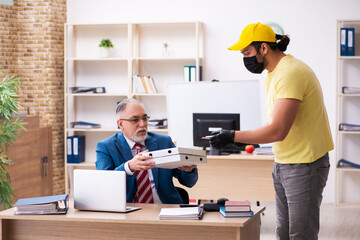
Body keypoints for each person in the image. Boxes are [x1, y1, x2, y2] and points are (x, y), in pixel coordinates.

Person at [210, 23, 333, 240]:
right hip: (283, 162)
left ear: (264, 48)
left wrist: (233, 136)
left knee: (301, 235)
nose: (245, 59)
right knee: (283, 233)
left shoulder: (291, 73)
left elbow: (277, 130)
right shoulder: (272, 74)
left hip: (305, 164)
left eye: (247, 53)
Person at [96, 98, 198, 204]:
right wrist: (128, 167)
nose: (142, 124)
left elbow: (189, 183)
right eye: (135, 120)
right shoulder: (106, 147)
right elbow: (104, 184)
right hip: (128, 211)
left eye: (144, 118)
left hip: (166, 209)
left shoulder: (164, 142)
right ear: (120, 124)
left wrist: (188, 170)